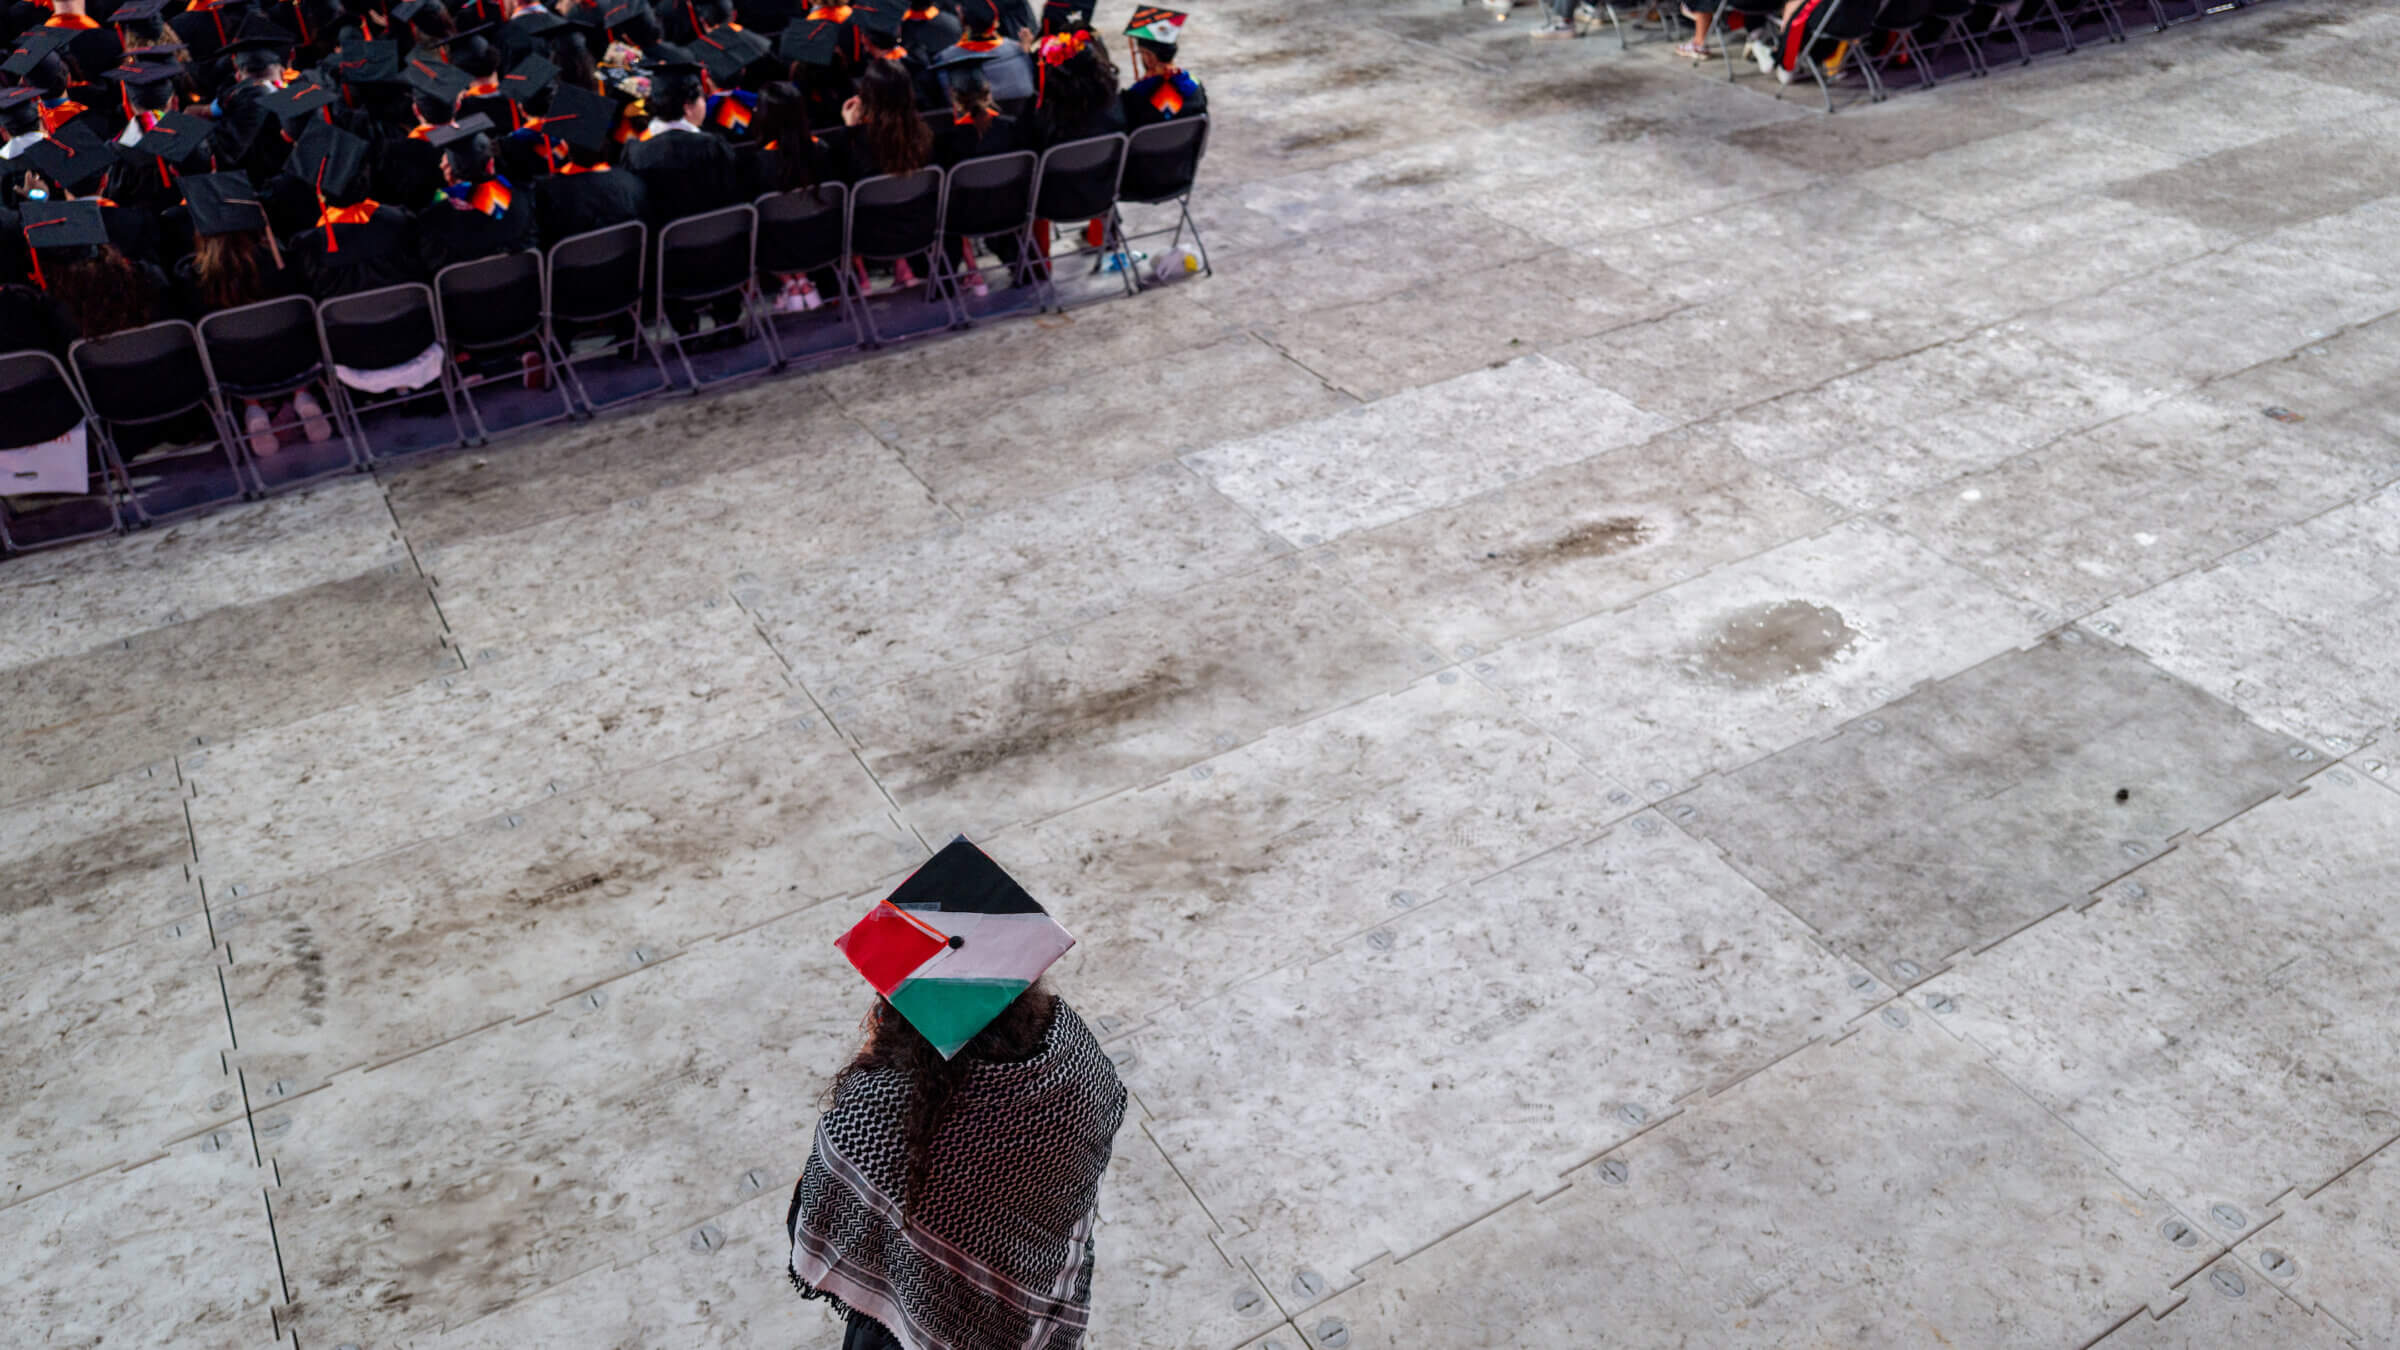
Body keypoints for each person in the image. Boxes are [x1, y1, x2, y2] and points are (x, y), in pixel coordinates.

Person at [788, 841, 1125, 1350]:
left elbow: (817, 1215)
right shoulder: (1075, 1055)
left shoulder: (882, 1110)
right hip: (1022, 1308)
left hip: (909, 1325)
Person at [622, 45, 739, 220]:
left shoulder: (635, 152)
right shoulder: (713, 146)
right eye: (702, 98)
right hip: (716, 239)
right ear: (688, 106)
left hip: (659, 245)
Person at [416, 116, 536, 271]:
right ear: (490, 166)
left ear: (449, 173)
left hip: (460, 295)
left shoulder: (432, 220)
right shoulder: (524, 200)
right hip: (525, 290)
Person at [1120, 7, 1200, 130]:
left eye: (1141, 53)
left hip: (1146, 149)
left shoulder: (1136, 94)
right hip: (1186, 149)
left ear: (1149, 57)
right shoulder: (1196, 86)